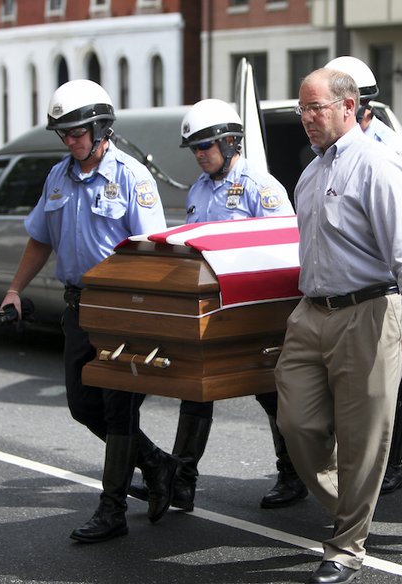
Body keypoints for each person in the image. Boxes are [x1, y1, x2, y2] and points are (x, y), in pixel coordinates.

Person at [0, 79, 180, 544]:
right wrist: (15, 289)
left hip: (121, 308)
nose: (71, 141)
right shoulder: (58, 177)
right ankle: (158, 464)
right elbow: (41, 237)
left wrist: (147, 316)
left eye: (78, 132)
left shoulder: (131, 177)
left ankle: (112, 509)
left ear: (101, 128)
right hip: (80, 307)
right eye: (64, 134)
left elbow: (150, 250)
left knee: (119, 411)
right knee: (83, 406)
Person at [275, 67, 402, 584]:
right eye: (302, 109)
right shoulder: (311, 172)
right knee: (296, 423)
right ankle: (352, 503)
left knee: (363, 436)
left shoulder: (378, 164)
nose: (306, 119)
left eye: (315, 108)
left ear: (348, 107)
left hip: (368, 310)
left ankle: (347, 545)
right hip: (312, 311)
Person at [129, 98, 305, 512]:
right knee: (197, 391)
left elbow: (287, 249)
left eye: (205, 147)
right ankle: (183, 483)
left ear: (230, 142)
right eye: (194, 149)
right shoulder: (197, 190)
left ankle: (294, 474)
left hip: (255, 311)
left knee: (271, 393)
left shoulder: (263, 188)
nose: (199, 155)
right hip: (213, 309)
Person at [324, 55, 402, 496]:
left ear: (361, 107)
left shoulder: (385, 151)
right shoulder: (333, 146)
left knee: (385, 385)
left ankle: (390, 462)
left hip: (381, 282)